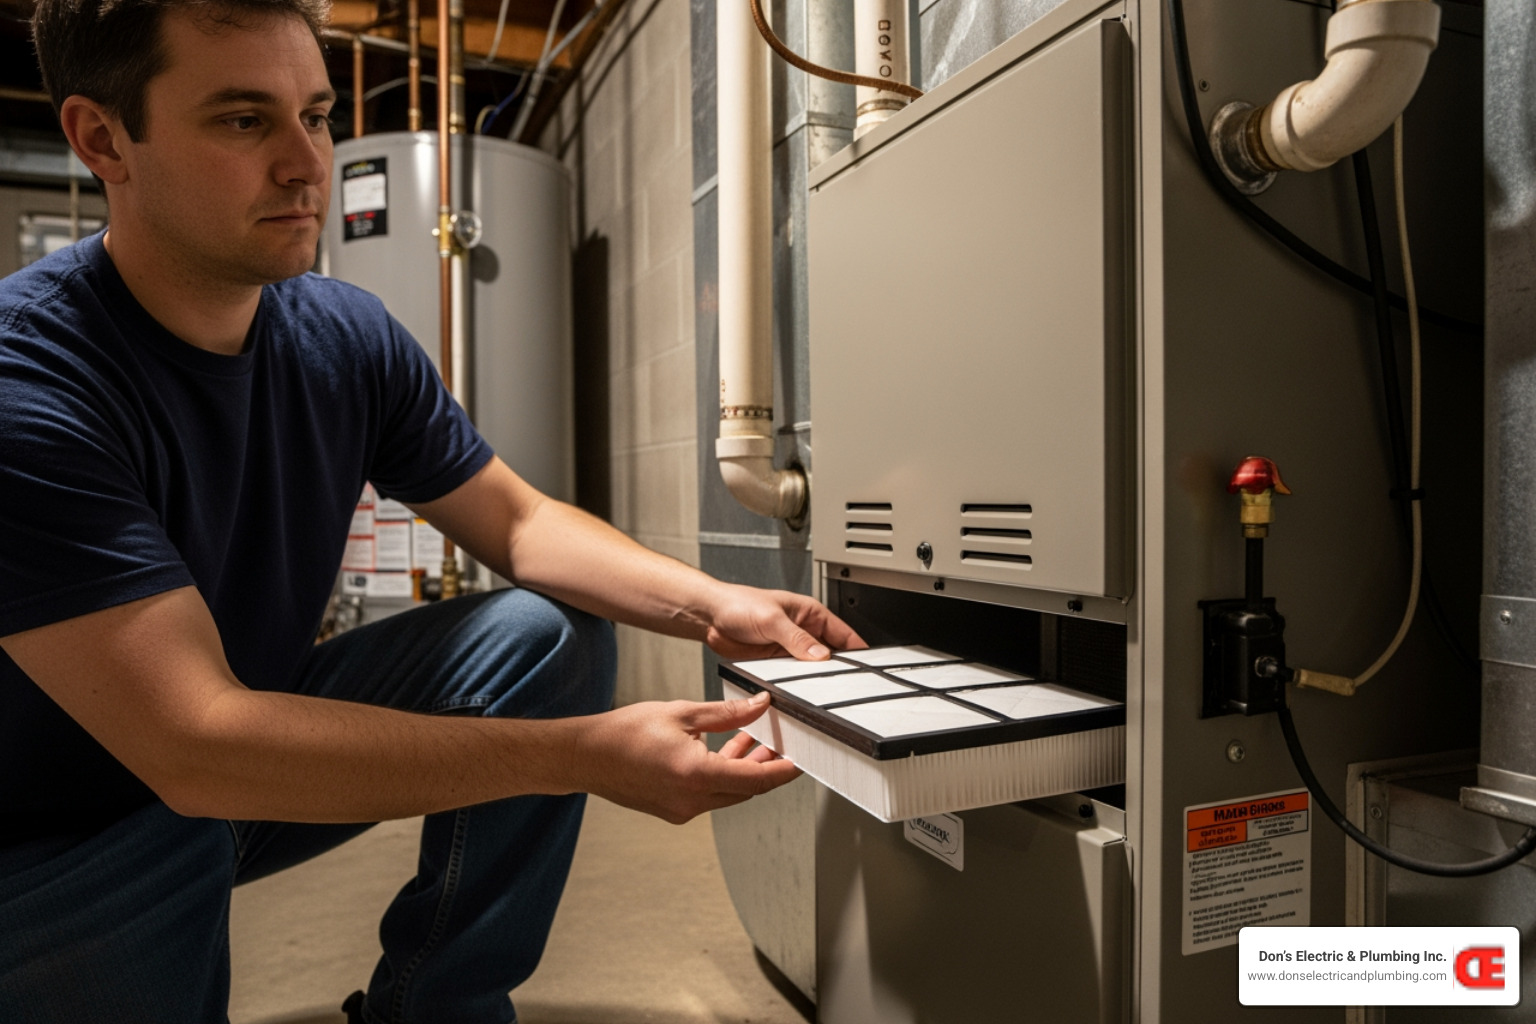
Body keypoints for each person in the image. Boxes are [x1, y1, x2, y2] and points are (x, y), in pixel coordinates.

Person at [0, 0, 862, 1020]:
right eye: (243, 120)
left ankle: (435, 1007)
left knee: (542, 638)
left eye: (315, 115)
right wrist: (587, 755)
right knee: (185, 822)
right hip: (58, 832)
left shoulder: (343, 336)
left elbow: (519, 523)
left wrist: (716, 604)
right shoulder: (30, 382)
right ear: (104, 140)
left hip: (220, 775)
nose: (305, 163)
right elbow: (196, 743)